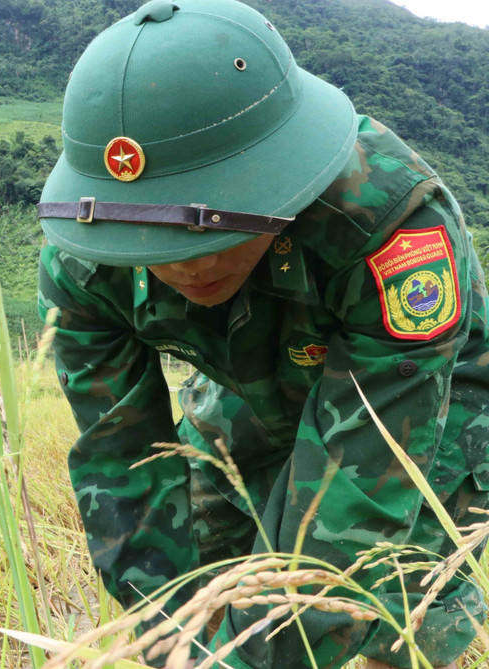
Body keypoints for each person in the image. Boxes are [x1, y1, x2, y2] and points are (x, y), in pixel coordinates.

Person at [36, 1, 489, 668]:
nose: (189, 264)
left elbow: (351, 511)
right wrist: (172, 641)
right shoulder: (85, 255)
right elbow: (119, 465)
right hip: (248, 391)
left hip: (419, 402)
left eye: (210, 227)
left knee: (390, 600)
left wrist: (250, 656)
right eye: (150, 238)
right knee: (206, 581)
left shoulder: (389, 226)